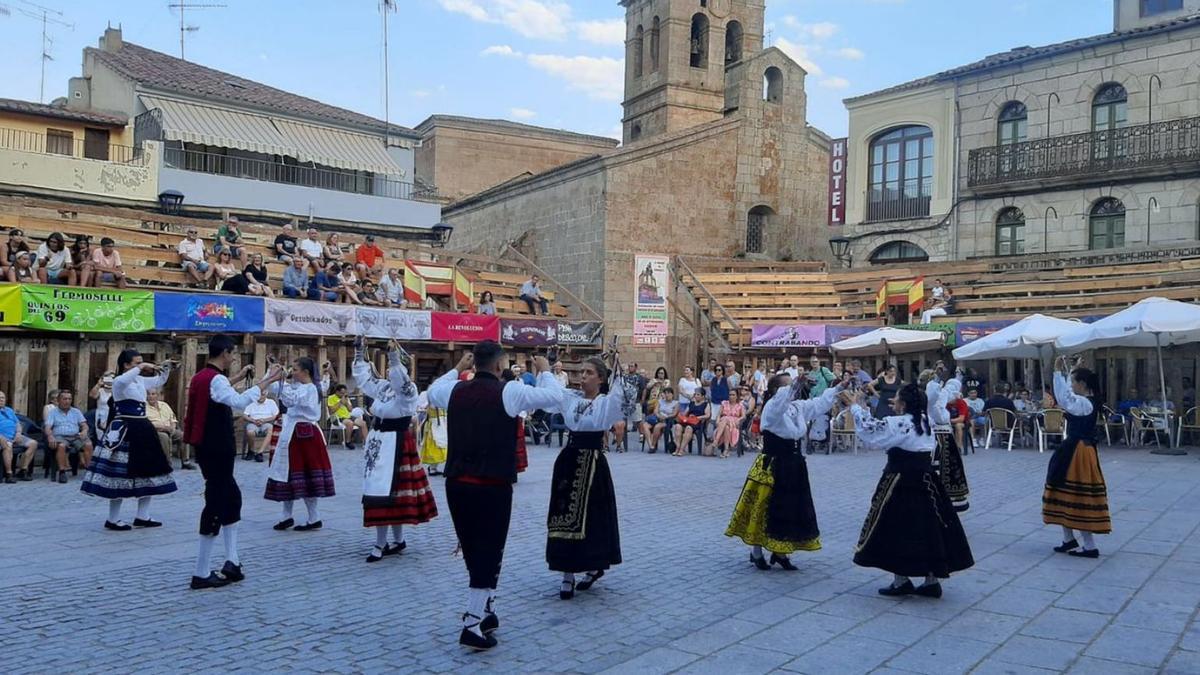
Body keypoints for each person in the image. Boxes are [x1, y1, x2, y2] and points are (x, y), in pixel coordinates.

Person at [426, 341, 562, 650]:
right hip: (491, 483)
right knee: (489, 548)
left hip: (457, 481)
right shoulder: (509, 391)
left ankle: (486, 609)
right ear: (500, 366)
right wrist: (545, 370)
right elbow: (554, 398)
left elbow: (433, 389)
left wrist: (459, 368)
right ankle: (472, 621)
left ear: (475, 363)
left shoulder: (455, 390)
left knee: (474, 548)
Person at [845, 378, 974, 598]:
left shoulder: (901, 423)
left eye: (896, 398)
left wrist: (855, 406)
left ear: (903, 404)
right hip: (926, 481)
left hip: (901, 481)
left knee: (896, 527)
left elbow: (870, 432)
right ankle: (931, 580)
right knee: (929, 528)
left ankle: (901, 580)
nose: (893, 400)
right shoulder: (924, 420)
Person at [184, 335, 282, 589]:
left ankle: (232, 560)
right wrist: (267, 380)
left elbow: (223, 390)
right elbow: (237, 401)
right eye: (233, 353)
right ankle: (201, 572)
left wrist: (254, 380)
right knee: (216, 503)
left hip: (208, 446)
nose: (234, 357)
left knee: (231, 498)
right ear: (225, 353)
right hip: (216, 446)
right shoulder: (214, 379)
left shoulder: (202, 376)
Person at [535, 353, 629, 604]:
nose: (583, 377)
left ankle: (594, 565)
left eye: (589, 373)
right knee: (562, 514)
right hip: (568, 460)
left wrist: (618, 365)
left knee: (593, 518)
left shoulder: (605, 403)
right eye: (581, 372)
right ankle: (567, 573)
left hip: (593, 464)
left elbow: (621, 398)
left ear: (600, 379)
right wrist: (544, 370)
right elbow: (551, 394)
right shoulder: (570, 398)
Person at [726, 373, 841, 570]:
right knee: (763, 508)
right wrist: (797, 383)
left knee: (790, 508)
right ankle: (756, 552)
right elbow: (782, 399)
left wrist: (839, 387)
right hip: (773, 465)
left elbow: (820, 403)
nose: (794, 389)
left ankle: (780, 552)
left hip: (794, 465)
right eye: (788, 386)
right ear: (775, 391)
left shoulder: (797, 407)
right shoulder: (772, 407)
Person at [353, 338, 437, 563]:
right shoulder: (383, 387)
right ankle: (390, 541)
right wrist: (360, 353)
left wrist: (393, 358)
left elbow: (400, 382)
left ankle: (386, 542)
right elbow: (364, 380)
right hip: (380, 442)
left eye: (393, 367)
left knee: (391, 492)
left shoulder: (408, 390)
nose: (389, 372)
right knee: (379, 490)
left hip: (397, 442)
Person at [80, 350, 177, 530]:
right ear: (126, 365)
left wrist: (166, 367)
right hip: (124, 429)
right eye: (136, 362)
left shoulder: (139, 380)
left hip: (143, 428)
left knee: (149, 471)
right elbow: (123, 380)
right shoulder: (118, 381)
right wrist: (141, 367)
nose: (141, 365)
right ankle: (113, 518)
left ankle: (143, 515)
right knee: (119, 475)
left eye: (141, 362)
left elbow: (159, 381)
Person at [1043, 358, 1109, 558]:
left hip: (1079, 451)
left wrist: (1056, 372)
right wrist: (1070, 369)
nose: (1071, 385)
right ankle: (1068, 539)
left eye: (1074, 382)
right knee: (1062, 490)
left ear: (1082, 385)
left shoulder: (1085, 403)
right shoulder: (1088, 400)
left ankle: (1089, 546)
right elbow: (1068, 395)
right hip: (1074, 448)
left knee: (1078, 494)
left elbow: (1065, 398)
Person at [266, 357, 335, 532]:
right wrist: (272, 373)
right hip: (293, 434)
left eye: (295, 369)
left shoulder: (310, 389)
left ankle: (314, 517)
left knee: (305, 475)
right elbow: (276, 388)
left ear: (306, 372)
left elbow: (290, 399)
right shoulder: (300, 387)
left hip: (305, 435)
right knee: (287, 474)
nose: (292, 372)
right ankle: (286, 516)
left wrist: (281, 380)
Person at [925, 369, 970, 512]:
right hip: (940, 437)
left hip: (944, 436)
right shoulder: (938, 399)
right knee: (942, 468)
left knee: (948, 468)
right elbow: (942, 395)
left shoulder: (941, 397)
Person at [44, 390, 92, 483]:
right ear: (59, 400)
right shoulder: (53, 412)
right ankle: (62, 472)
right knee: (61, 446)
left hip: (75, 436)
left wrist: (84, 431)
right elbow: (47, 427)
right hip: (60, 436)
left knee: (88, 444)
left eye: (69, 399)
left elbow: (84, 425)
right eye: (65, 399)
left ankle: (89, 470)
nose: (67, 401)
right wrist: (50, 436)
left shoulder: (76, 411)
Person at [146, 387, 192, 470]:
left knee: (183, 435)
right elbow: (146, 423)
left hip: (170, 429)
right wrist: (163, 427)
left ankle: (185, 462)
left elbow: (173, 419)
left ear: (158, 395)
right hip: (155, 431)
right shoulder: (144, 407)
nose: (150, 396)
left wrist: (172, 428)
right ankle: (167, 464)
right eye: (148, 394)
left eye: (153, 394)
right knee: (164, 437)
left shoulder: (164, 405)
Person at [0, 391, 38, 483]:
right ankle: (9, 474)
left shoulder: (9, 410)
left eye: (2, 398)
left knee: (33, 443)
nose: (1, 399)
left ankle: (23, 470)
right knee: (7, 445)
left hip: (14, 436)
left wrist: (18, 433)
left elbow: (18, 424)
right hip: (2, 438)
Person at [241, 389, 279, 463]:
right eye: (258, 395)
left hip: (267, 422)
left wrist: (264, 420)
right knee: (250, 432)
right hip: (253, 422)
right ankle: (252, 451)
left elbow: (275, 416)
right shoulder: (251, 402)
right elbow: (245, 415)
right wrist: (253, 420)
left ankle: (259, 452)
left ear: (266, 394)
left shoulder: (271, 402)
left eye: (262, 395)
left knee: (271, 430)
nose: (260, 397)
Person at [327, 383, 368, 450]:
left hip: (348, 416)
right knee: (350, 423)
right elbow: (331, 411)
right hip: (337, 418)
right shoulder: (331, 398)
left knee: (363, 423)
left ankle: (367, 443)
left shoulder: (346, 398)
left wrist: (346, 403)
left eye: (344, 393)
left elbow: (350, 410)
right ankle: (348, 441)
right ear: (337, 392)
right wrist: (340, 403)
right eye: (341, 393)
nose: (343, 394)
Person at [708, 392, 745, 459]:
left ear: (737, 396)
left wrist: (739, 420)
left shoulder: (740, 405)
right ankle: (726, 450)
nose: (731, 396)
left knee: (725, 420)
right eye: (730, 395)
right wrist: (717, 420)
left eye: (733, 395)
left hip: (734, 423)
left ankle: (716, 440)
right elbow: (719, 414)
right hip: (723, 423)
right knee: (726, 427)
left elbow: (743, 416)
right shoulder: (724, 403)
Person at [674, 389, 711, 456]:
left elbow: (707, 415)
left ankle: (682, 449)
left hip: (697, 423)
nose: (696, 396)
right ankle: (677, 448)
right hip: (688, 420)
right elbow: (685, 413)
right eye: (695, 394)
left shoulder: (705, 404)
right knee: (677, 426)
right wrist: (681, 415)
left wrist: (697, 417)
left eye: (698, 395)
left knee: (688, 428)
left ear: (703, 396)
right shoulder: (691, 403)